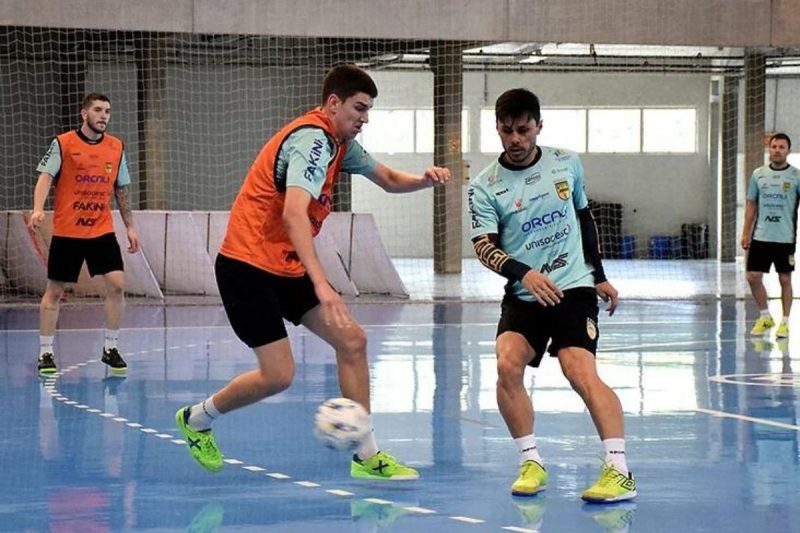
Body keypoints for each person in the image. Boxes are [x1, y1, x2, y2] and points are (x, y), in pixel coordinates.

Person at [174, 64, 450, 480]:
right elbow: (293, 214)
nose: (365, 118)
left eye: (369, 110)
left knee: (352, 342)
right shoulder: (312, 141)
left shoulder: (341, 144)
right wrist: (321, 281)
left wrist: (423, 180)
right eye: (359, 108)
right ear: (334, 103)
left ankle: (367, 457)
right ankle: (197, 419)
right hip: (247, 267)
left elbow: (390, 179)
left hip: (285, 266)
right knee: (278, 375)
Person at [467, 88, 636, 503]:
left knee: (579, 370)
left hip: (573, 287)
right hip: (524, 292)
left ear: (538, 126)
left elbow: (584, 218)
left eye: (523, 130)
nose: (515, 139)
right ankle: (531, 462)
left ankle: (619, 471)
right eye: (507, 131)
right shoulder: (484, 186)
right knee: (507, 365)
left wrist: (599, 275)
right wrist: (524, 274)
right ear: (498, 129)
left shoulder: (566, 163)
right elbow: (484, 247)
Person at [30, 92, 140, 376]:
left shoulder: (116, 147)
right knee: (55, 291)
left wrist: (129, 226)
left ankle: (110, 348)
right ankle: (45, 352)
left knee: (117, 285)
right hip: (68, 231)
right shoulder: (63, 143)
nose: (103, 116)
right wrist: (38, 209)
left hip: (101, 230)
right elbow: (45, 177)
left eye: (107, 111)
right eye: (98, 110)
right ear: (84, 113)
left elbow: (121, 189)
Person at [741, 132, 800, 338]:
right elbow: (751, 205)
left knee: (785, 279)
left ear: (788, 151)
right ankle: (765, 316)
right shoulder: (758, 174)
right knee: (752, 276)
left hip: (785, 238)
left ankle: (785, 322)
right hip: (761, 236)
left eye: (781, 147)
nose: (777, 150)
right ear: (769, 149)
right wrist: (745, 232)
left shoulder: (796, 176)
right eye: (774, 147)